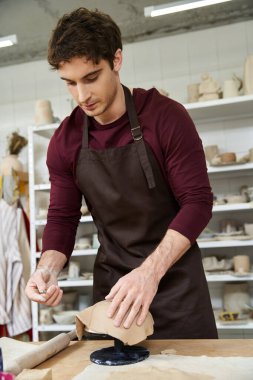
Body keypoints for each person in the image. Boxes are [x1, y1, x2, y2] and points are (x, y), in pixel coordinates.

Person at [25, 7, 218, 339]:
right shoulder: (65, 140)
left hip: (176, 290)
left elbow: (198, 203)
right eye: (69, 83)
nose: (81, 96)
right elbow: (62, 217)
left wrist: (148, 274)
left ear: (116, 60)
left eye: (91, 78)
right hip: (114, 298)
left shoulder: (165, 118)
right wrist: (47, 269)